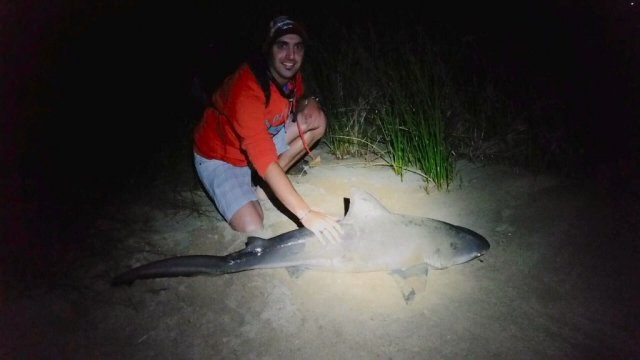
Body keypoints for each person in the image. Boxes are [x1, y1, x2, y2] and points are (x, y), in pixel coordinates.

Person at [193, 15, 342, 245]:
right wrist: (306, 214)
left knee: (316, 119)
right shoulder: (246, 88)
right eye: (282, 46)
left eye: (297, 47)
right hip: (220, 156)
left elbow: (298, 98)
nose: (291, 56)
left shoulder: (291, 75)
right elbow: (264, 159)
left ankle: (264, 188)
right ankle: (259, 187)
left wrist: (309, 101)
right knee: (252, 225)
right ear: (268, 49)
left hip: (257, 145)